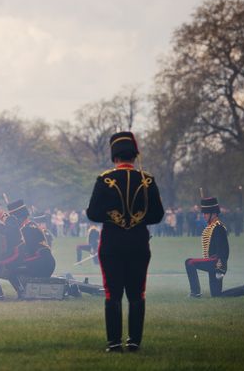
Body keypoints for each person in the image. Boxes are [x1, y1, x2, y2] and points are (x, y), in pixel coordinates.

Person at [86, 131, 165, 353]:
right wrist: (137, 219)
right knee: (136, 294)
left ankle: (114, 342)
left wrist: (113, 217)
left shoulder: (104, 179)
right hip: (139, 243)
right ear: (133, 154)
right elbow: (157, 215)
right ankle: (133, 342)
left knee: (112, 294)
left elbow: (93, 213)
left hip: (111, 243)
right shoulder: (147, 180)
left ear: (115, 156)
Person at [185, 197, 244, 298]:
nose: (204, 215)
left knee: (190, 262)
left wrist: (220, 268)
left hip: (216, 263)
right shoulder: (211, 226)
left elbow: (224, 251)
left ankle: (195, 293)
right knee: (217, 295)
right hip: (212, 262)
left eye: (206, 213)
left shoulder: (218, 227)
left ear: (213, 213)